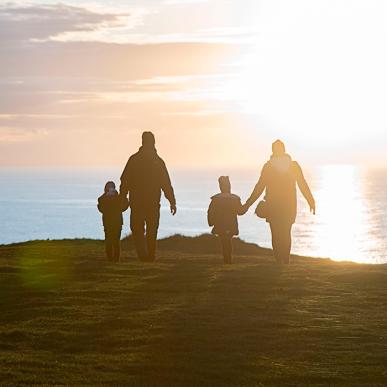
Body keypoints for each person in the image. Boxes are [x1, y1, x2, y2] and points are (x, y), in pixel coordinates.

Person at [241, 140, 315, 264]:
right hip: (289, 206)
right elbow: (302, 184)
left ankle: (279, 261)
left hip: (273, 205)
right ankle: (286, 261)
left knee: (275, 233)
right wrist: (310, 200)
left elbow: (259, 187)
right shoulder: (294, 166)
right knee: (286, 233)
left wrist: (247, 204)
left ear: (273, 151)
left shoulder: (268, 166)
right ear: (284, 150)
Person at [120, 131, 176, 262]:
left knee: (138, 229)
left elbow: (125, 180)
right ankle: (150, 256)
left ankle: (143, 255)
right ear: (154, 142)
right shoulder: (158, 161)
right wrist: (172, 201)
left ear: (142, 142)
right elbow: (166, 183)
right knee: (152, 229)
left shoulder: (134, 159)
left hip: (137, 201)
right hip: (152, 202)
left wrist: (123, 196)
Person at [207, 176, 243, 264]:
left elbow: (210, 211)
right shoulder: (235, 199)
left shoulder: (216, 199)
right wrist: (246, 206)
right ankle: (228, 260)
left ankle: (227, 259)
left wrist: (211, 222)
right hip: (231, 224)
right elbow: (240, 211)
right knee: (228, 241)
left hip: (220, 224)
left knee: (224, 242)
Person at [97, 181, 129, 262]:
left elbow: (124, 206)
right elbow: (101, 207)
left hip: (115, 222)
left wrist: (118, 197)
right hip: (110, 222)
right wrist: (107, 197)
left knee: (114, 241)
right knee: (110, 241)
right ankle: (111, 259)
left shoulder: (118, 198)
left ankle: (115, 259)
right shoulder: (103, 199)